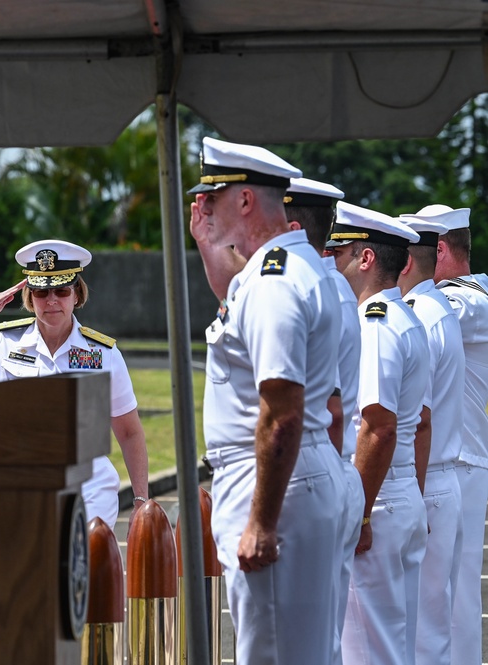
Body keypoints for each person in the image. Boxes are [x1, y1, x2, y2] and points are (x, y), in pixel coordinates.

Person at [189, 137, 344, 665]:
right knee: (296, 650)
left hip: (274, 484)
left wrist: (261, 522)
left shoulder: (272, 283)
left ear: (247, 201)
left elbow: (281, 415)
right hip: (290, 479)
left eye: (213, 197)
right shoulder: (279, 269)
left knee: (273, 653)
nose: (203, 207)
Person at [0, 239, 148, 527]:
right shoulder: (2, 342)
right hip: (21, 483)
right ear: (29, 297)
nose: (51, 300)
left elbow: (128, 431)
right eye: (41, 292)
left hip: (88, 485)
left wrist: (141, 500)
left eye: (62, 290)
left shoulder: (103, 353)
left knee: (78, 565)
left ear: (76, 295)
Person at [326, 202, 429, 665]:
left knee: (366, 650)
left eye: (339, 251)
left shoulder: (377, 324)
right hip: (398, 491)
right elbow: (419, 421)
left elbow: (378, 427)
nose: (329, 260)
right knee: (395, 645)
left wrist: (360, 515)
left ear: (365, 259)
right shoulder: (405, 318)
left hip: (378, 498)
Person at [284, 177, 363, 662]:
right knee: (322, 638)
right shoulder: (331, 287)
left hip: (316, 469)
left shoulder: (314, 291)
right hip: (332, 470)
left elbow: (330, 412)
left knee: (302, 640)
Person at [396, 209, 466, 665]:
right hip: (442, 479)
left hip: (424, 482)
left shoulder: (419, 316)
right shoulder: (440, 308)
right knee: (431, 629)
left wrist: (413, 498)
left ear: (403, 261)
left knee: (414, 632)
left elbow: (415, 420)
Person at [427, 204, 488, 665]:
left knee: (456, 597)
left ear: (440, 249)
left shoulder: (467, 300)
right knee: (438, 594)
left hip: (465, 462)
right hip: (453, 459)